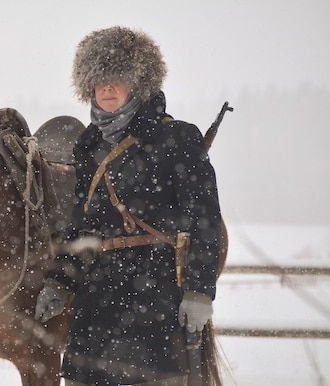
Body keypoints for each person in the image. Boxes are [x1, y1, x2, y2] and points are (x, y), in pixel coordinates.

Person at [34, 26, 223, 386]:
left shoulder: (177, 137)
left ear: (137, 83)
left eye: (116, 78)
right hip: (96, 296)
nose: (106, 87)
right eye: (98, 79)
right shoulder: (88, 144)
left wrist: (199, 293)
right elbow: (81, 225)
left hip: (153, 294)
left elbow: (204, 221)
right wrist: (60, 283)